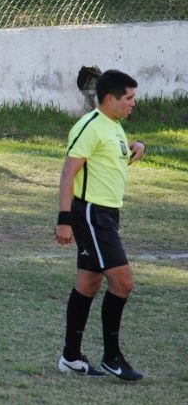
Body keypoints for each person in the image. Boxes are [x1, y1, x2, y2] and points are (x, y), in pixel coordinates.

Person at [55, 69, 146, 381]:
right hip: (92, 215)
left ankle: (70, 357)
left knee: (89, 283)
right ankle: (112, 357)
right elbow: (68, 173)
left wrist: (137, 146)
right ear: (111, 99)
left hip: (107, 215)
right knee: (123, 283)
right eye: (129, 98)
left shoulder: (113, 126)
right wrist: (64, 220)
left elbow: (110, 156)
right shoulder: (90, 126)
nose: (134, 103)